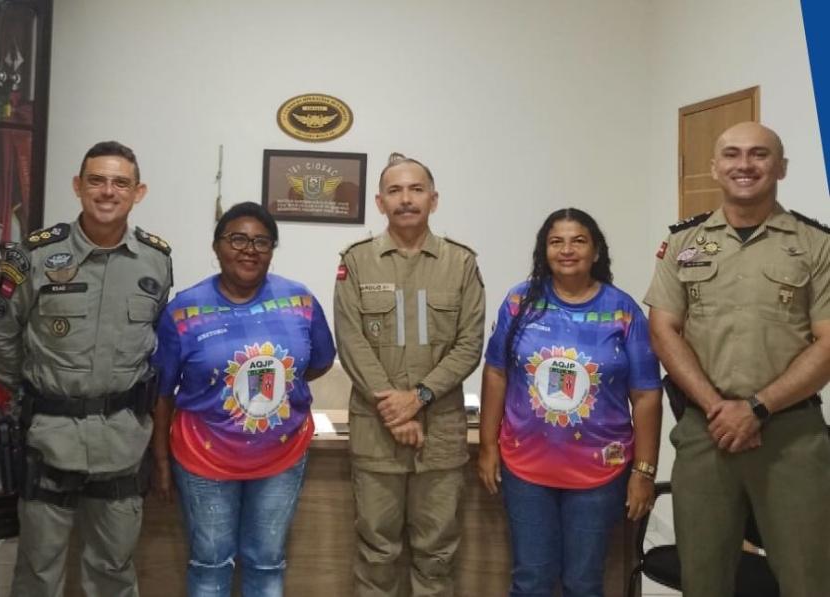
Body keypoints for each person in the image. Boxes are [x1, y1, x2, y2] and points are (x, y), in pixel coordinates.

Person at [645, 122, 830, 597]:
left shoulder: (817, 244)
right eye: (731, 154)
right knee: (703, 580)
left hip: (792, 437)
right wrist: (718, 408)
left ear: (781, 167)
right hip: (706, 432)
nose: (744, 165)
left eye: (758, 154)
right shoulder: (684, 243)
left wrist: (757, 407)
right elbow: (663, 330)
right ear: (714, 167)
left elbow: (829, 342)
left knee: (809, 580)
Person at [0, 141, 173, 596]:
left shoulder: (156, 260)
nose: (108, 192)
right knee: (38, 572)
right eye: (97, 180)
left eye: (120, 183)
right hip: (49, 438)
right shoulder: (34, 255)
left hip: (122, 442)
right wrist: (28, 389)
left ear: (138, 192)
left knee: (113, 571)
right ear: (78, 186)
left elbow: (156, 337)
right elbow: (0, 331)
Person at [151, 201, 336, 597]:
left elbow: (320, 361)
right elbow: (162, 392)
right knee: (210, 562)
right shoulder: (184, 310)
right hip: (203, 460)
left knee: (266, 561)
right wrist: (161, 462)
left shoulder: (300, 301)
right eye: (237, 239)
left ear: (271, 250)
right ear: (217, 246)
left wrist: (281, 387)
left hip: (281, 457)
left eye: (261, 241)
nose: (249, 250)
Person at [478, 208, 661, 597]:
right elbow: (495, 373)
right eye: (556, 241)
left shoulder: (623, 310)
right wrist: (488, 445)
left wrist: (644, 472)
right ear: (543, 251)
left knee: (584, 583)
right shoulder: (519, 302)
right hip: (526, 468)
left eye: (578, 241)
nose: (567, 250)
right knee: (531, 580)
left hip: (599, 472)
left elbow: (646, 395)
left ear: (596, 251)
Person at [333, 153, 485, 596]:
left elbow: (469, 345)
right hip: (377, 433)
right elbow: (351, 340)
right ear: (379, 202)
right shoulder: (357, 262)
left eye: (416, 190)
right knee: (376, 554)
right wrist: (394, 409)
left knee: (437, 555)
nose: (406, 199)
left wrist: (417, 398)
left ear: (433, 200)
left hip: (440, 436)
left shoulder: (460, 263)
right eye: (395, 191)